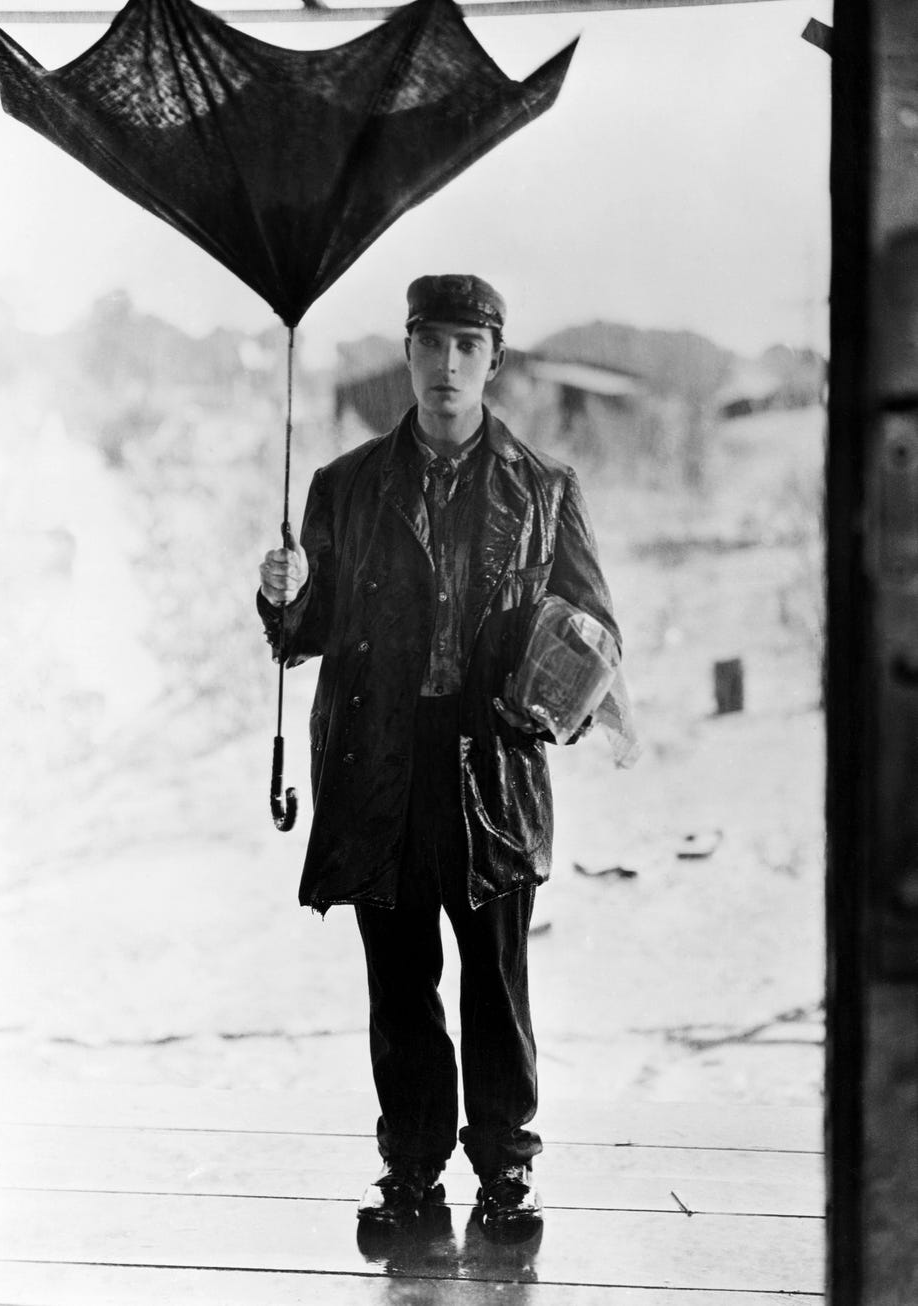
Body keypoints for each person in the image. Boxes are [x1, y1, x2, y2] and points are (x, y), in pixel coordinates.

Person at [258, 274, 621, 1238]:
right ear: (409, 352)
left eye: (469, 345)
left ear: (494, 362)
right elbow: (306, 635)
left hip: (492, 774)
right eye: (432, 342)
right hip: (381, 766)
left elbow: (595, 634)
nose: (449, 364)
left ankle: (506, 1170)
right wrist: (284, 593)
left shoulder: (546, 490)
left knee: (496, 985)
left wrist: (562, 697)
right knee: (399, 977)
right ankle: (411, 1169)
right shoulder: (344, 487)